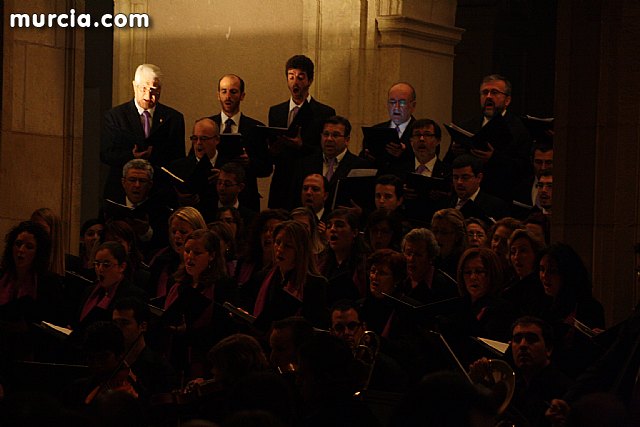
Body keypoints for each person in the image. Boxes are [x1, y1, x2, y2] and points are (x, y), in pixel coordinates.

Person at [101, 64, 185, 200]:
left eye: (153, 90)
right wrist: (131, 155)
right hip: (122, 191)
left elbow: (178, 158)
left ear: (160, 89)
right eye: (143, 88)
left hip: (160, 191)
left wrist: (155, 154)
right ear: (135, 86)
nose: (148, 95)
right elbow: (106, 154)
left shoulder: (173, 118)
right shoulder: (116, 116)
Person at [469, 316, 572, 427]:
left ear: (548, 349)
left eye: (531, 339)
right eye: (517, 340)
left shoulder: (564, 390)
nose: (522, 345)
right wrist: (477, 382)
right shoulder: (514, 384)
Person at [445, 74, 532, 202]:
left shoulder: (519, 128)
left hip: (501, 196)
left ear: (507, 100)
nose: (489, 97)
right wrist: (455, 152)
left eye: (494, 92)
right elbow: (448, 164)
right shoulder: (467, 126)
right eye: (485, 93)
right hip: (467, 197)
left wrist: (493, 158)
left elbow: (524, 168)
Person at [163, 229, 238, 379]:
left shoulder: (223, 285)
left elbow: (224, 330)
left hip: (206, 359)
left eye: (197, 253)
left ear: (212, 256)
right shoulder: (176, 283)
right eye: (187, 251)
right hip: (175, 355)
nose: (190, 257)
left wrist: (187, 331)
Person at [267, 55, 336, 210]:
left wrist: (301, 145)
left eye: (300, 77)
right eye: (291, 77)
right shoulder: (276, 111)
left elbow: (326, 151)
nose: (295, 82)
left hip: (308, 180)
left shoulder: (324, 112)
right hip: (282, 180)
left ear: (309, 81)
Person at [0, 221, 66, 360]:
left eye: (29, 247)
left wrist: (28, 327)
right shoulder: (2, 276)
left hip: (33, 352)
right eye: (17, 244)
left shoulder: (48, 282)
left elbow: (55, 324)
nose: (21, 250)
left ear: (39, 252)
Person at [538, 243, 605, 378]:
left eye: (552, 271)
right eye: (541, 269)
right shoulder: (541, 303)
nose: (544, 276)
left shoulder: (588, 307)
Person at [209, 74, 271, 213]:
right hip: (212, 198)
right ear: (218, 94)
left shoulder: (256, 128)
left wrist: (249, 162)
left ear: (242, 95)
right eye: (224, 91)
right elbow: (195, 159)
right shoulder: (207, 125)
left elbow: (267, 168)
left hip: (247, 200)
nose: (228, 96)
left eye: (233, 91)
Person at [253, 221, 328, 330]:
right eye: (277, 242)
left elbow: (316, 326)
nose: (280, 249)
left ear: (300, 251)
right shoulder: (262, 277)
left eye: (288, 245)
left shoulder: (315, 284)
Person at [294, 115, 371, 209]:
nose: (329, 139)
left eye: (335, 135)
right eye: (326, 134)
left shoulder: (360, 166)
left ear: (347, 140)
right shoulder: (305, 164)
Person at [103, 158, 172, 259]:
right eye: (132, 180)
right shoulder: (110, 208)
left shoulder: (161, 211)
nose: (137, 185)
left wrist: (146, 232)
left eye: (142, 181)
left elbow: (163, 244)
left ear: (150, 185)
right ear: (123, 182)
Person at [112, 297, 177, 399]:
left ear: (143, 326)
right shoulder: (110, 362)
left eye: (124, 323)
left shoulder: (160, 368)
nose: (117, 329)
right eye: (115, 323)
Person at [446, 247, 516, 343]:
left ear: (492, 273)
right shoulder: (457, 306)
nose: (473, 277)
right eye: (467, 272)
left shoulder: (503, 309)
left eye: (479, 271)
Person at [75, 241, 148, 331]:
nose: (100, 269)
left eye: (106, 265)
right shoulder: (89, 291)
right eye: (97, 264)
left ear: (122, 267)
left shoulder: (134, 295)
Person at [167, 118, 222, 222]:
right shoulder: (177, 167)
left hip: (218, 221)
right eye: (194, 138)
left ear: (217, 140)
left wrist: (222, 180)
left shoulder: (227, 167)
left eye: (204, 138)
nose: (198, 143)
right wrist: (180, 199)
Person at [146, 206, 206, 301]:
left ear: (198, 233)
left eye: (183, 232)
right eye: (174, 231)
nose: (177, 236)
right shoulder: (161, 262)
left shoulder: (205, 267)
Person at [361, 82, 417, 174]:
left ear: (413, 105)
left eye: (402, 102)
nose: (396, 107)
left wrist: (404, 154)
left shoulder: (421, 133)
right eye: (392, 102)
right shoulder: (376, 130)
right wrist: (367, 156)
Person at [319, 209, 370, 304]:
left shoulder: (365, 264)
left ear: (354, 232)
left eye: (339, 225)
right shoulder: (321, 263)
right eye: (329, 226)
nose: (332, 229)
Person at [399, 227, 459, 305]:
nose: (411, 259)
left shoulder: (446, 287)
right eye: (408, 253)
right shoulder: (399, 278)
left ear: (430, 257)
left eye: (418, 254)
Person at [450, 154, 509, 221]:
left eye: (465, 177)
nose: (459, 182)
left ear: (479, 178)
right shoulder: (444, 203)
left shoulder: (496, 207)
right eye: (455, 177)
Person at [502, 229, 547, 316]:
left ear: (536, 253)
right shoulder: (509, 283)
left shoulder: (540, 288)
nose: (516, 257)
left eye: (523, 251)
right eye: (513, 252)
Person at [512, 142, 554, 209]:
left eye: (548, 162)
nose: (543, 167)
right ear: (532, 161)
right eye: (538, 162)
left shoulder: (566, 189)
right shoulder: (521, 188)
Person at [215, 161, 257, 228]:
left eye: (227, 184)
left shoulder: (250, 218)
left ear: (240, 187)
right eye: (219, 183)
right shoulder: (205, 213)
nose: (221, 188)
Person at [431, 208, 469, 279]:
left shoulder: (466, 265)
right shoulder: (429, 260)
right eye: (435, 231)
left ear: (458, 236)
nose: (437, 237)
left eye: (444, 233)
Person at [30, 207, 65, 276]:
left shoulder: (72, 264)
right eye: (32, 227)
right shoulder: (29, 258)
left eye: (41, 228)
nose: (34, 231)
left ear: (54, 231)